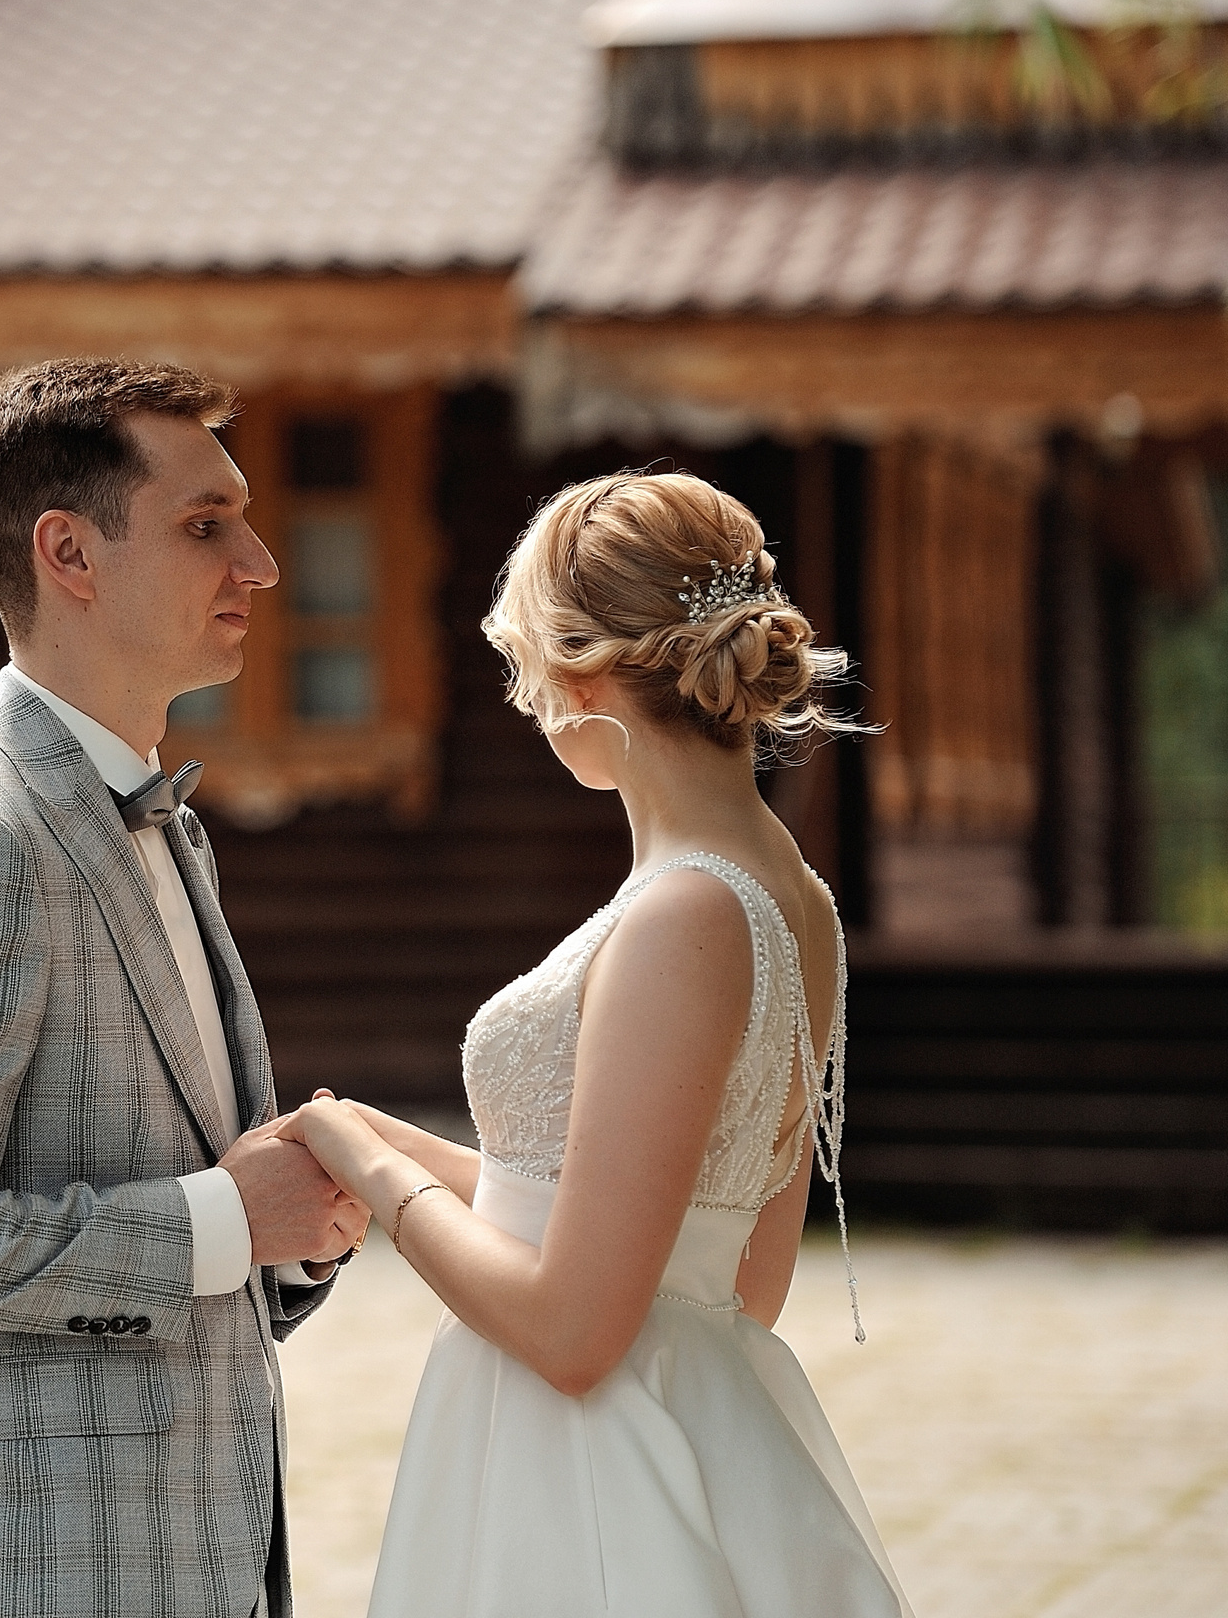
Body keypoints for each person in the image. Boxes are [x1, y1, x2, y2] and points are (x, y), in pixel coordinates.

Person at [280, 471, 914, 1617]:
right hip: (705, 1428)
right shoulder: (798, 903)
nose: (525, 702)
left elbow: (573, 1331)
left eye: (523, 666)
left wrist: (370, 1175)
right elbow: (728, 1274)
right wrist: (399, 1143)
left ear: (577, 672)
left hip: (580, 1466)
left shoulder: (682, 912)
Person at [0, 358, 368, 1618]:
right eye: (204, 526)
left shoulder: (163, 822)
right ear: (69, 553)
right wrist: (227, 1220)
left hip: (194, 1553)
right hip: (38, 1570)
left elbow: (180, 1195)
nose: (262, 563)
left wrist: (289, 1238)